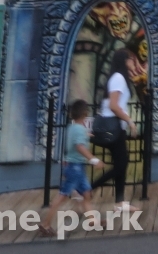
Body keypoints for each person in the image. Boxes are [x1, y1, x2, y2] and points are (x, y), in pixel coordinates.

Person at [40, 100, 104, 237]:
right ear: (86, 113)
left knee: (86, 194)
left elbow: (72, 142)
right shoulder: (80, 130)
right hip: (76, 168)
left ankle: (93, 221)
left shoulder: (72, 128)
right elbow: (79, 146)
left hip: (75, 167)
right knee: (62, 196)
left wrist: (87, 136)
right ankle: (45, 224)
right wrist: (94, 159)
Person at [92, 49, 139, 211]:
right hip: (114, 125)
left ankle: (120, 202)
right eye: (131, 59)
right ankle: (88, 188)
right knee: (120, 165)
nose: (134, 61)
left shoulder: (118, 78)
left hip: (116, 125)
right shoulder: (118, 78)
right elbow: (113, 105)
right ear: (124, 61)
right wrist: (130, 121)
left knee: (121, 164)